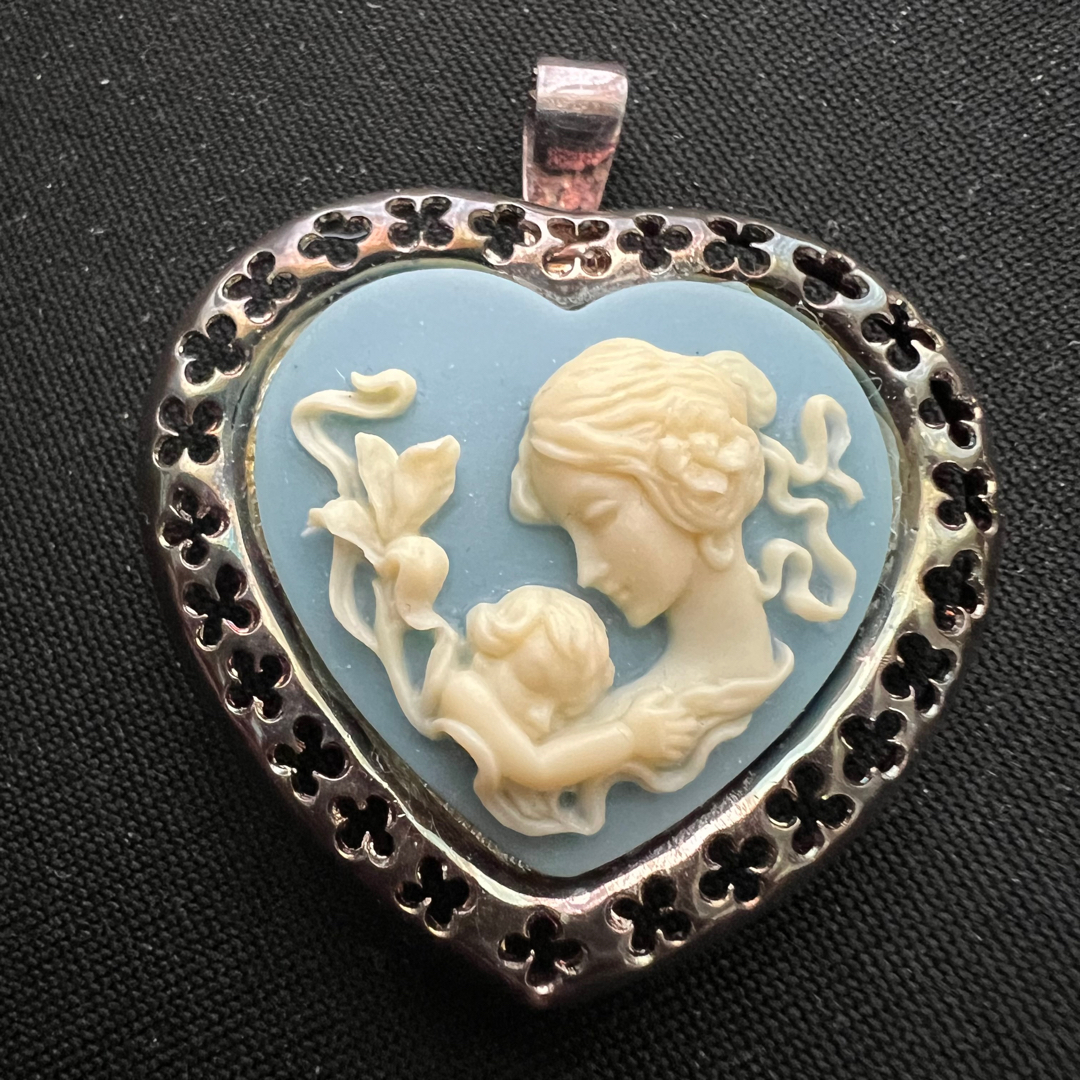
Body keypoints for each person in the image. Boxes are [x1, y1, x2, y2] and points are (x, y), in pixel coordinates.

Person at [432, 586, 700, 793]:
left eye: (565, 712)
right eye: (534, 682)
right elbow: (538, 767)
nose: (542, 719)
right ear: (493, 642)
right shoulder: (463, 690)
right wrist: (629, 736)